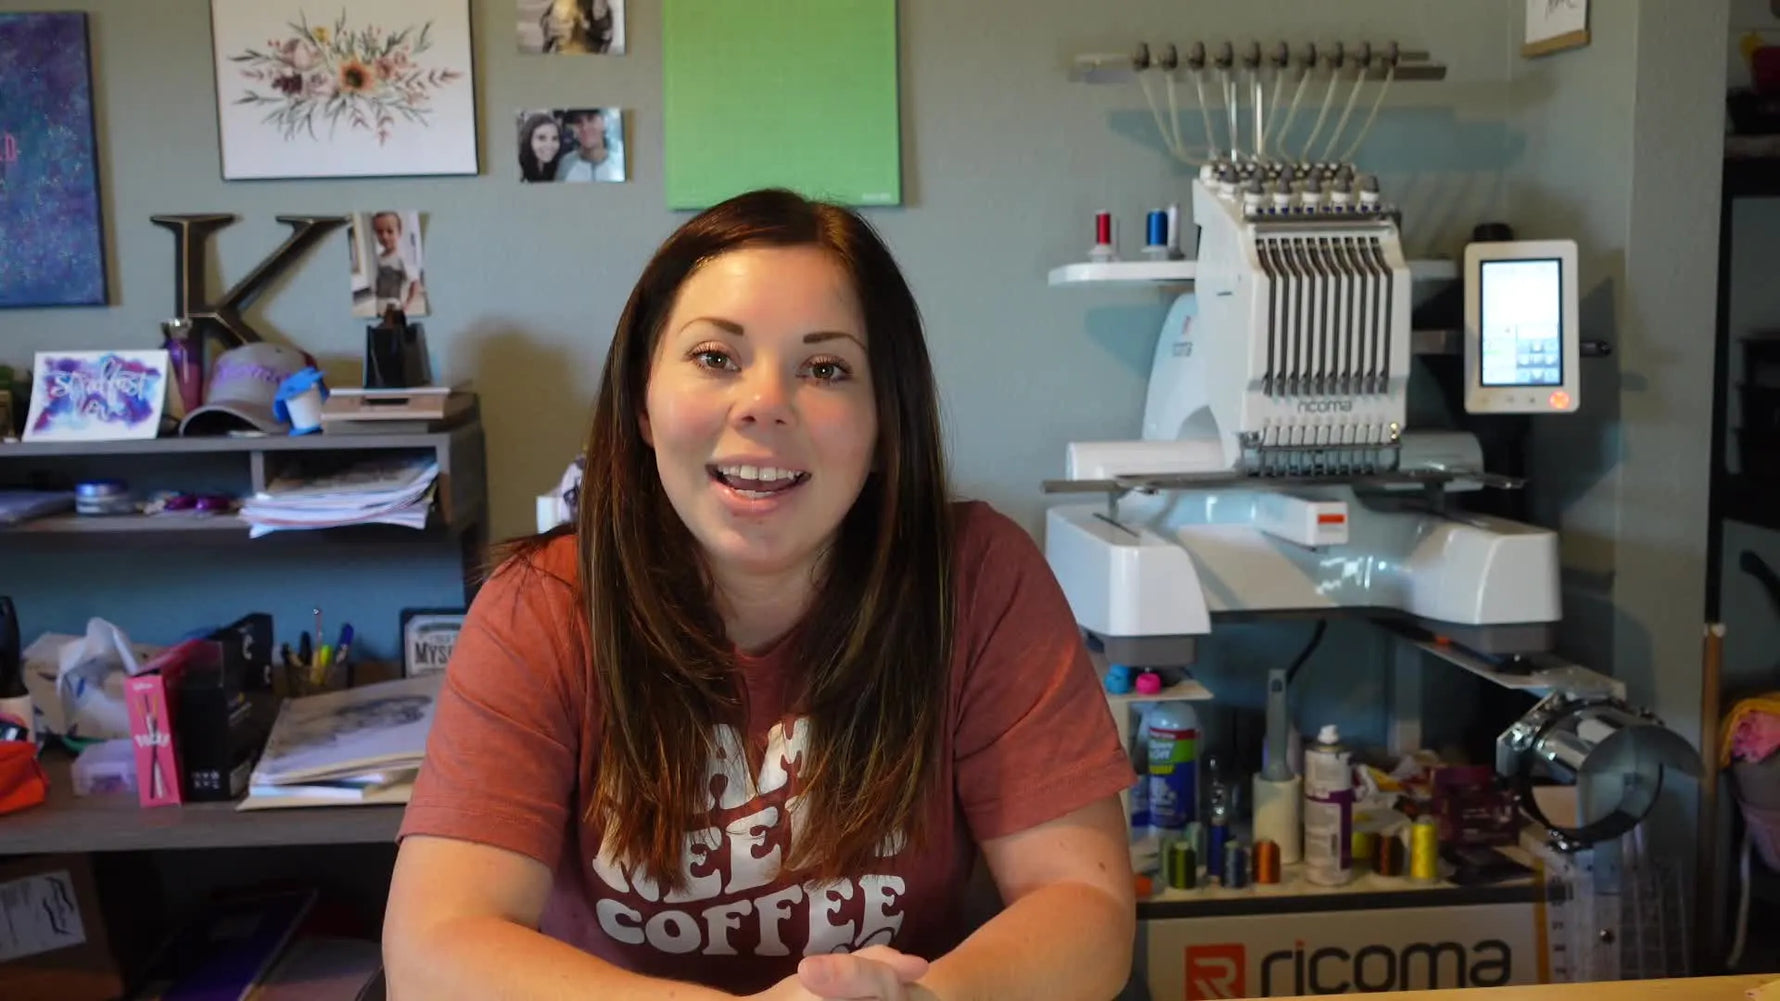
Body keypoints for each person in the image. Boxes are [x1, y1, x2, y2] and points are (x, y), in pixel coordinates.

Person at [383, 188, 1137, 1001]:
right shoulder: (539, 606)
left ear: (886, 422)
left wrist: (925, 999)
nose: (765, 405)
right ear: (642, 400)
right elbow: (433, 951)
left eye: (826, 367)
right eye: (716, 357)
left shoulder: (978, 579)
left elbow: (1084, 905)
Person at [368, 211, 426, 314]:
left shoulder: (402, 259)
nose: (385, 236)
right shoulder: (378, 259)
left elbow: (415, 282)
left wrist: (407, 303)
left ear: (399, 232)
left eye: (390, 231)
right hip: (380, 306)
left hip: (395, 307)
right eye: (380, 232)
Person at [555, 108, 624, 182]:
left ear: (604, 122)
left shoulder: (620, 163)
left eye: (591, 119)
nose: (584, 127)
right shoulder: (566, 165)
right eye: (578, 122)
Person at [519, 112, 565, 182]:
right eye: (541, 138)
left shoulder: (560, 169)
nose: (549, 145)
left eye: (554, 138)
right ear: (528, 139)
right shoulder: (518, 173)